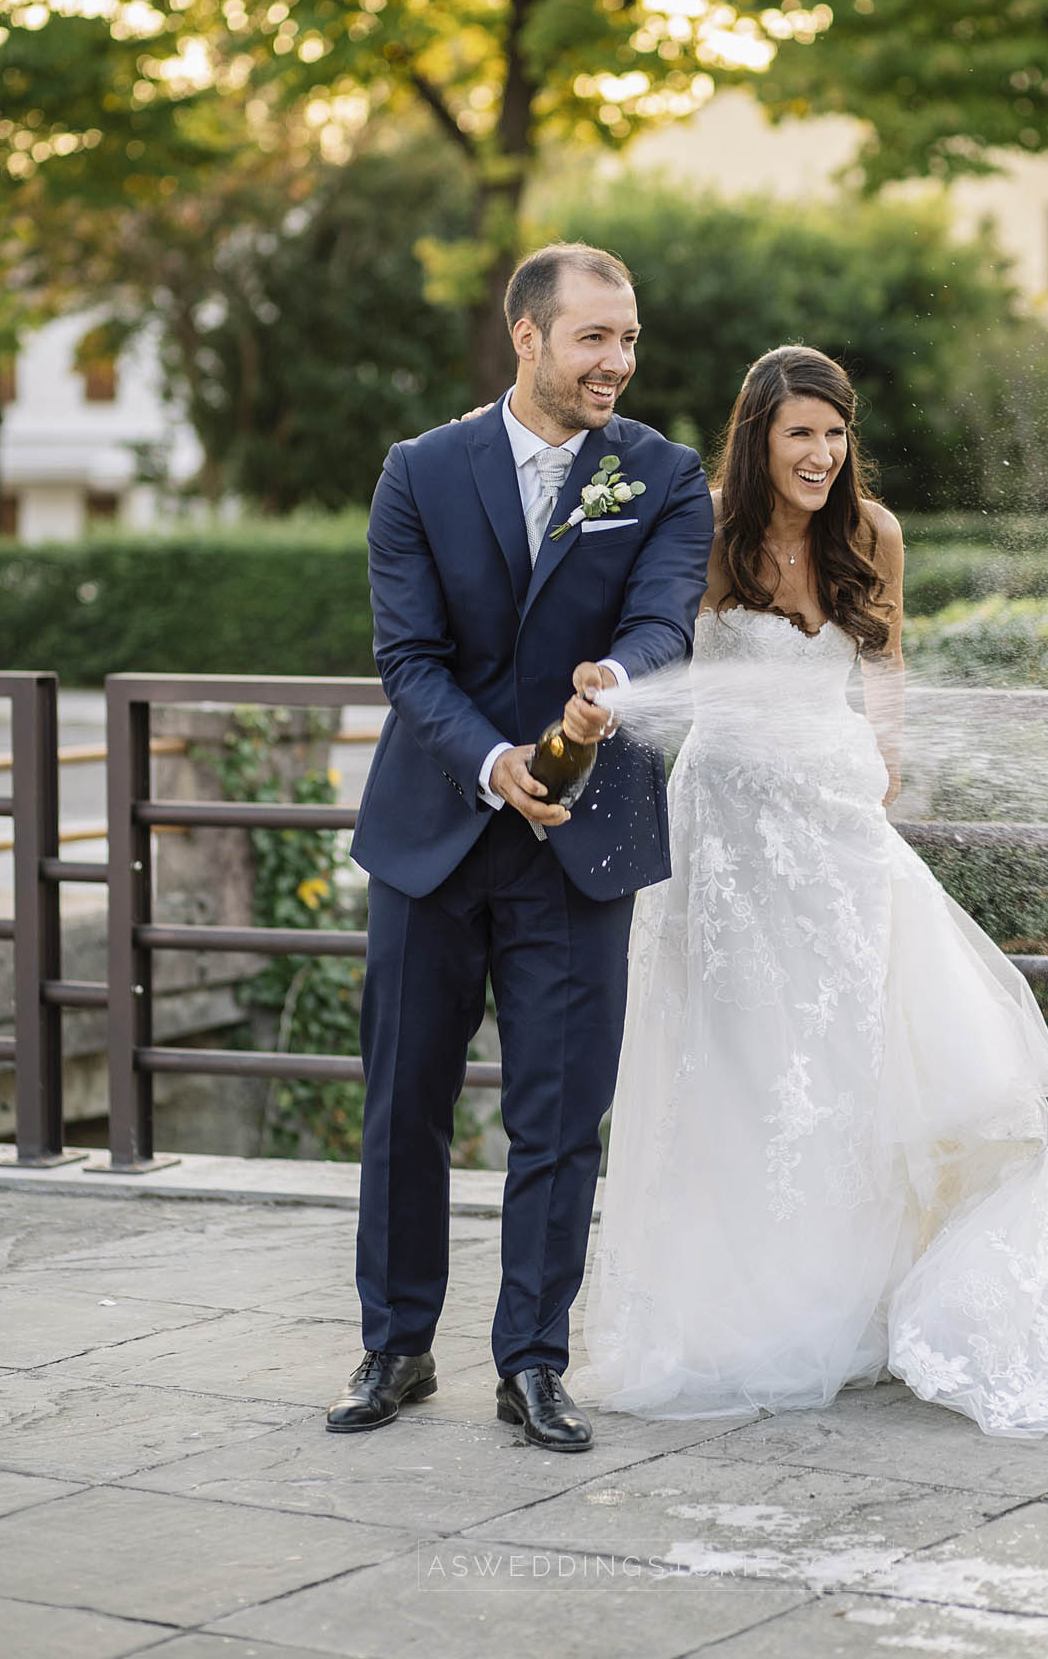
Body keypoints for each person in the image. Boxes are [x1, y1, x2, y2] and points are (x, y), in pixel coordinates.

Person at [579, 345, 1048, 1435]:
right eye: (798, 432)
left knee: (873, 1051)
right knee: (743, 1058)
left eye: (834, 431)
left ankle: (876, 1296)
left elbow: (884, 662)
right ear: (757, 435)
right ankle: (754, 1311)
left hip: (839, 825)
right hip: (726, 833)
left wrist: (882, 759)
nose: (820, 453)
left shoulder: (873, 533)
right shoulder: (706, 529)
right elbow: (650, 643)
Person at [326, 243, 713, 1451]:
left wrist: (618, 676)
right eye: (596, 338)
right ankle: (395, 1347)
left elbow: (662, 616)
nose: (620, 361)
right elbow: (411, 660)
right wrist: (496, 762)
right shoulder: (417, 472)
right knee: (404, 1106)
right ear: (529, 337)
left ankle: (533, 1361)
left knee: (559, 1117)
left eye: (630, 338)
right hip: (435, 836)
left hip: (581, 846)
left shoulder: (663, 474)